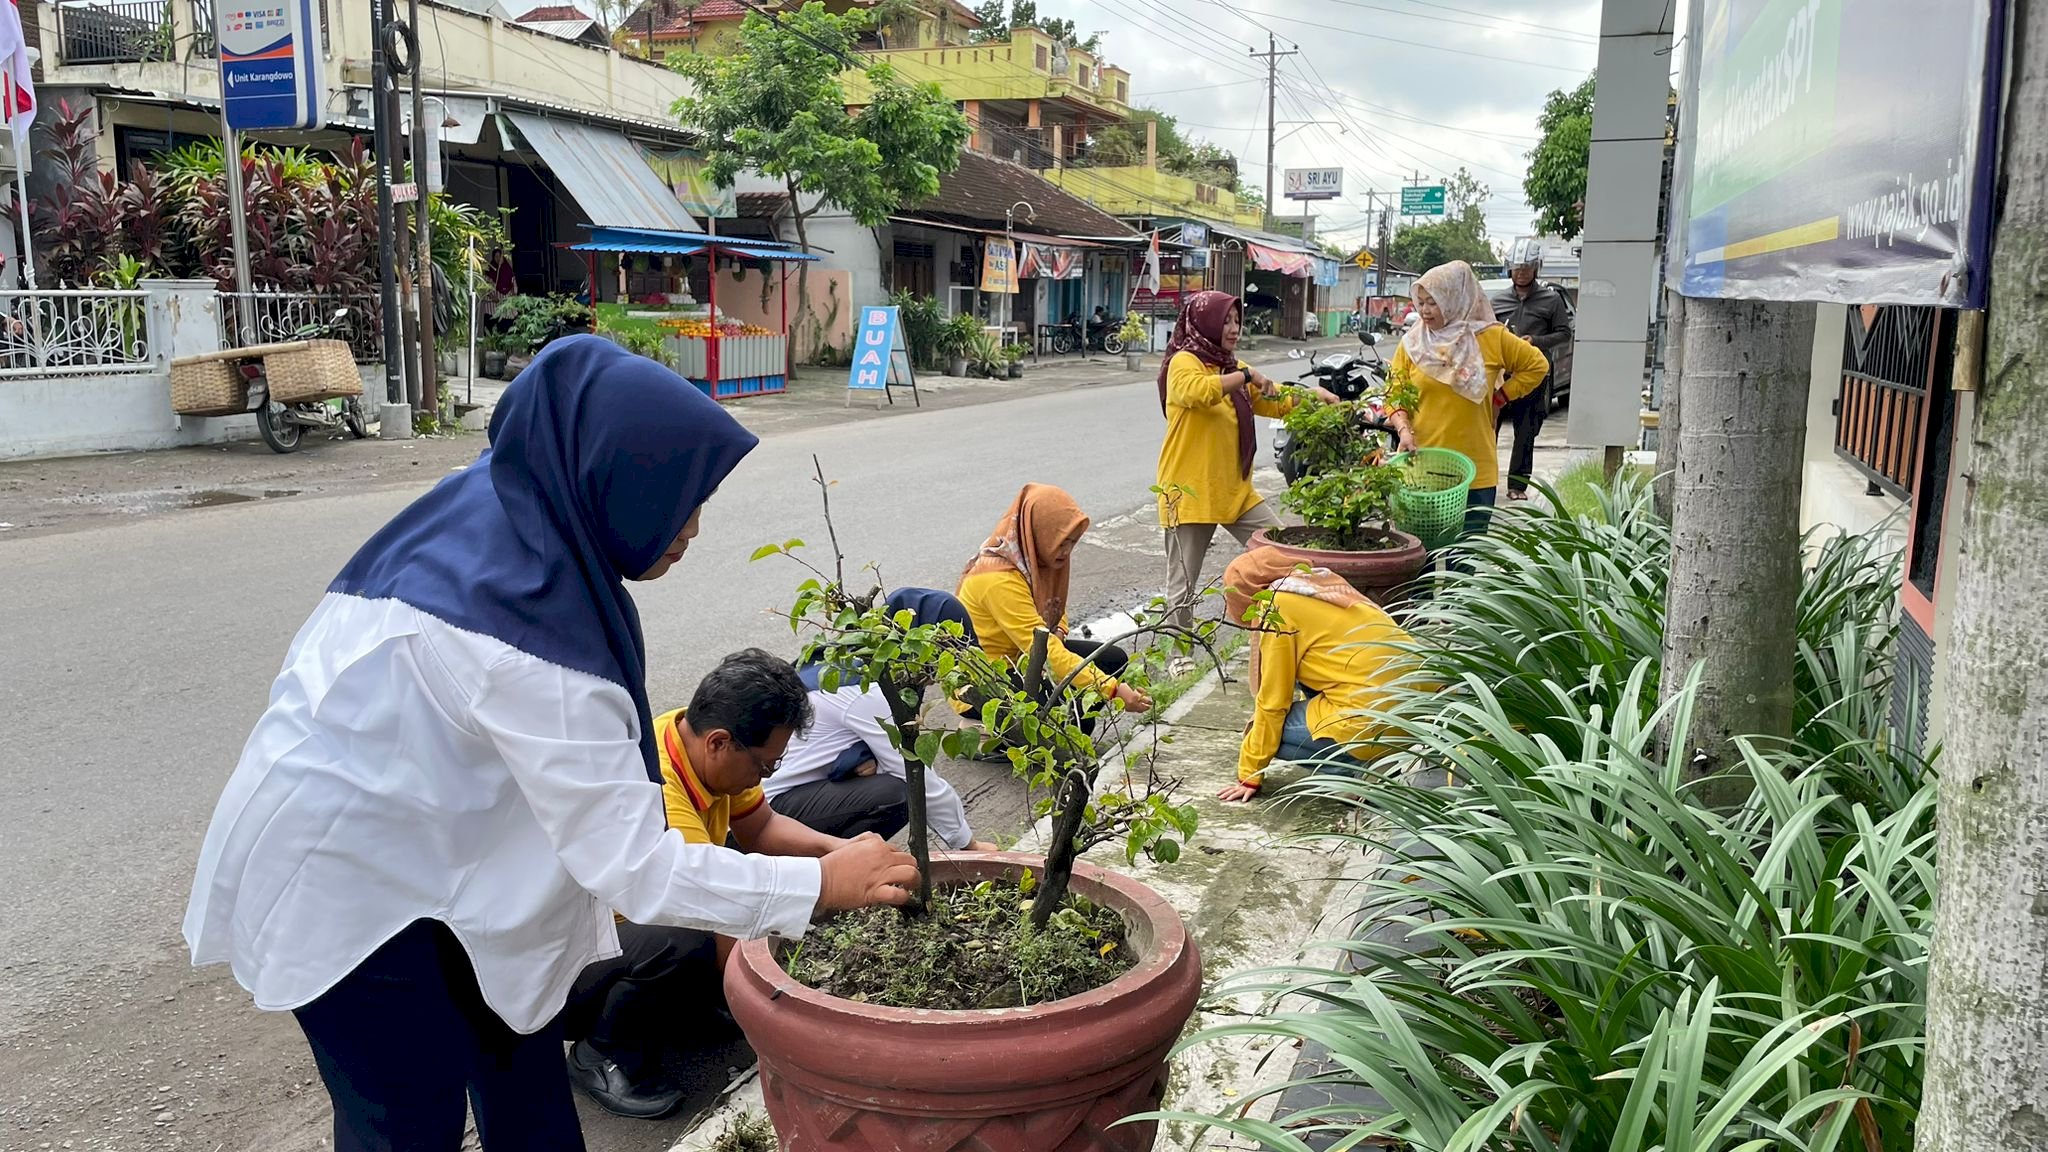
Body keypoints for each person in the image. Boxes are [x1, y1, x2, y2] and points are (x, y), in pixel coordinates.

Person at [182, 337, 919, 1152]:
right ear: (610, 474)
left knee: (522, 1075)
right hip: (350, 900)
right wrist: (817, 884)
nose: (694, 528)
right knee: (404, 1121)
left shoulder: (493, 508)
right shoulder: (539, 643)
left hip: (427, 862)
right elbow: (634, 869)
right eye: (680, 498)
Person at [563, 648, 856, 1120]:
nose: (765, 776)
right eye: (765, 766)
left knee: (722, 912)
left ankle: (682, 1012)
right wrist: (790, 1029)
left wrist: (840, 854)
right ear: (720, 743)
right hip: (572, 964)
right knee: (687, 937)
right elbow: (715, 915)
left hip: (635, 924)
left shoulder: (698, 740)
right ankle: (600, 1052)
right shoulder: (659, 789)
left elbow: (761, 828)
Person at [1156, 289, 1338, 631]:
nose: (1234, 328)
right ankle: (1178, 654)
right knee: (1183, 586)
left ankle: (1287, 627)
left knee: (1282, 552)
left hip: (1235, 491)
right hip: (1190, 493)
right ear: (1205, 323)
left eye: (1237, 320)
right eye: (1225, 321)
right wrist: (1245, 375)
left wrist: (1313, 396)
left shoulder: (1234, 368)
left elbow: (1274, 400)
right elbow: (1196, 392)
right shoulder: (1184, 362)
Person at [766, 588, 999, 852]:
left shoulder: (841, 658)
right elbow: (916, 774)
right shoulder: (867, 690)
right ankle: (825, 870)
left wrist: (867, 760)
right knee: (897, 793)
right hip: (764, 815)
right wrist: (969, 845)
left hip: (770, 798)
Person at [1216, 547, 1418, 804]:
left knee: (1262, 732)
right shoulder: (1320, 583)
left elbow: (1273, 702)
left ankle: (1359, 773)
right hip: (1414, 714)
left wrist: (1250, 773)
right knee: (1308, 671)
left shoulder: (1275, 607)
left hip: (1371, 722)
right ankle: (1383, 760)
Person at [958, 483, 1153, 727]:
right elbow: (1044, 650)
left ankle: (1033, 732)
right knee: (1072, 720)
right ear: (1039, 532)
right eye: (1060, 542)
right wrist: (1112, 690)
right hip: (988, 680)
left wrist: (1059, 631)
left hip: (1025, 660)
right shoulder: (997, 578)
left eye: (1072, 542)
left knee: (1112, 660)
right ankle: (987, 732)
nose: (1066, 551)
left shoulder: (1030, 556)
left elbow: (1053, 607)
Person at [1386, 261, 1549, 537]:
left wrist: (1502, 397)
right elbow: (1394, 392)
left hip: (1476, 471)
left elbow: (1537, 365)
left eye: (1433, 302)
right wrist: (1403, 429)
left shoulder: (1492, 337)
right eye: (1421, 302)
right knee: (1420, 566)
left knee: (1464, 566)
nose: (1425, 310)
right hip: (1423, 468)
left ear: (1454, 299)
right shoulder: (1413, 344)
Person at [1495, 243, 1573, 501]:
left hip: (1534, 375)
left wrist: (1536, 341)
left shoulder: (1550, 300)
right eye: (1517, 268)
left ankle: (1517, 485)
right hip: (1501, 375)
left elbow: (1564, 333)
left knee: (1526, 431)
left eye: (1527, 267)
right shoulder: (1498, 301)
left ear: (1537, 267)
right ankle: (1482, 482)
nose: (1522, 273)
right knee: (1488, 427)